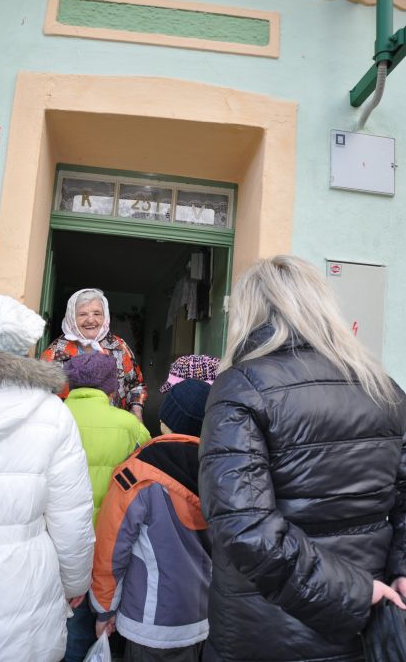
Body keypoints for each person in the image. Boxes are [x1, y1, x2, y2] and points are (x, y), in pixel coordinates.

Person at [198, 255, 406, 662]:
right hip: (365, 622)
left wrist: (358, 592)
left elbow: (244, 527)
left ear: (249, 312)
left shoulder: (241, 386)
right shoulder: (383, 387)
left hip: (264, 627)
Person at [0, 295, 95, 662]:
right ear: (26, 344)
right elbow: (71, 516)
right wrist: (76, 582)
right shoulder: (52, 412)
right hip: (23, 586)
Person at [91, 378, 212, 662]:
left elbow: (112, 547)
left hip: (149, 621)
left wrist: (104, 609)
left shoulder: (137, 475)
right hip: (206, 618)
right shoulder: (226, 473)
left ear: (164, 422)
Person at [62, 351, 151, 662]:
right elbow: (147, 476)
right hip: (111, 543)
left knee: (65, 629)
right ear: (112, 387)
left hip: (60, 543)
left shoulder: (52, 416)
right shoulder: (128, 425)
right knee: (101, 623)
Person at [42, 288, 147, 420]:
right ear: (71, 318)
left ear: (105, 316)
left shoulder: (119, 347)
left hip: (112, 425)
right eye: (83, 314)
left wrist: (136, 412)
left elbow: (136, 385)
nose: (91, 320)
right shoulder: (55, 353)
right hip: (70, 426)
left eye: (97, 313)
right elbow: (41, 396)